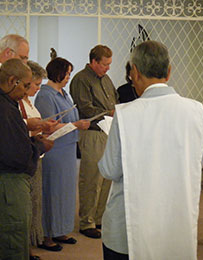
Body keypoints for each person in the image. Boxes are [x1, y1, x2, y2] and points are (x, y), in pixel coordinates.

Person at [98, 40, 203, 260]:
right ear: (169, 71)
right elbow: (197, 161)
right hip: (174, 220)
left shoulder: (125, 113)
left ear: (135, 73)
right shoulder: (196, 111)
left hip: (128, 225)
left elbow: (110, 170)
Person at [0, 58, 53, 260]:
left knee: (4, 242)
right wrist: (40, 146)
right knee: (10, 245)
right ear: (12, 81)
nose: (26, 92)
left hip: (0, 184)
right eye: (25, 85)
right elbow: (15, 156)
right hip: (4, 187)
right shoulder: (0, 108)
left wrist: (31, 141)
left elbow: (9, 143)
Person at [35, 57, 90, 251]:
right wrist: (75, 124)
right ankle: (47, 234)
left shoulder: (63, 94)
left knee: (65, 192)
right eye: (66, 74)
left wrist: (78, 123)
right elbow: (48, 125)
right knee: (52, 192)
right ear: (57, 73)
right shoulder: (45, 95)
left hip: (68, 149)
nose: (68, 78)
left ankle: (60, 230)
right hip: (54, 150)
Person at [70, 45, 118, 239]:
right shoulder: (81, 79)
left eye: (109, 64)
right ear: (94, 62)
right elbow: (85, 109)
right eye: (105, 64)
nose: (108, 68)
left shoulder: (106, 79)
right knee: (91, 178)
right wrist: (110, 113)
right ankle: (86, 221)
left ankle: (99, 218)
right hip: (92, 132)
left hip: (108, 130)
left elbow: (115, 100)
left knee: (107, 177)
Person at [18, 60, 53, 260]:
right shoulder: (18, 103)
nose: (38, 88)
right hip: (27, 156)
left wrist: (44, 127)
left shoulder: (29, 102)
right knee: (28, 205)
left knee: (34, 203)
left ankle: (30, 245)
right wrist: (38, 129)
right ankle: (26, 248)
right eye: (36, 84)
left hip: (36, 153)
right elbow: (20, 129)